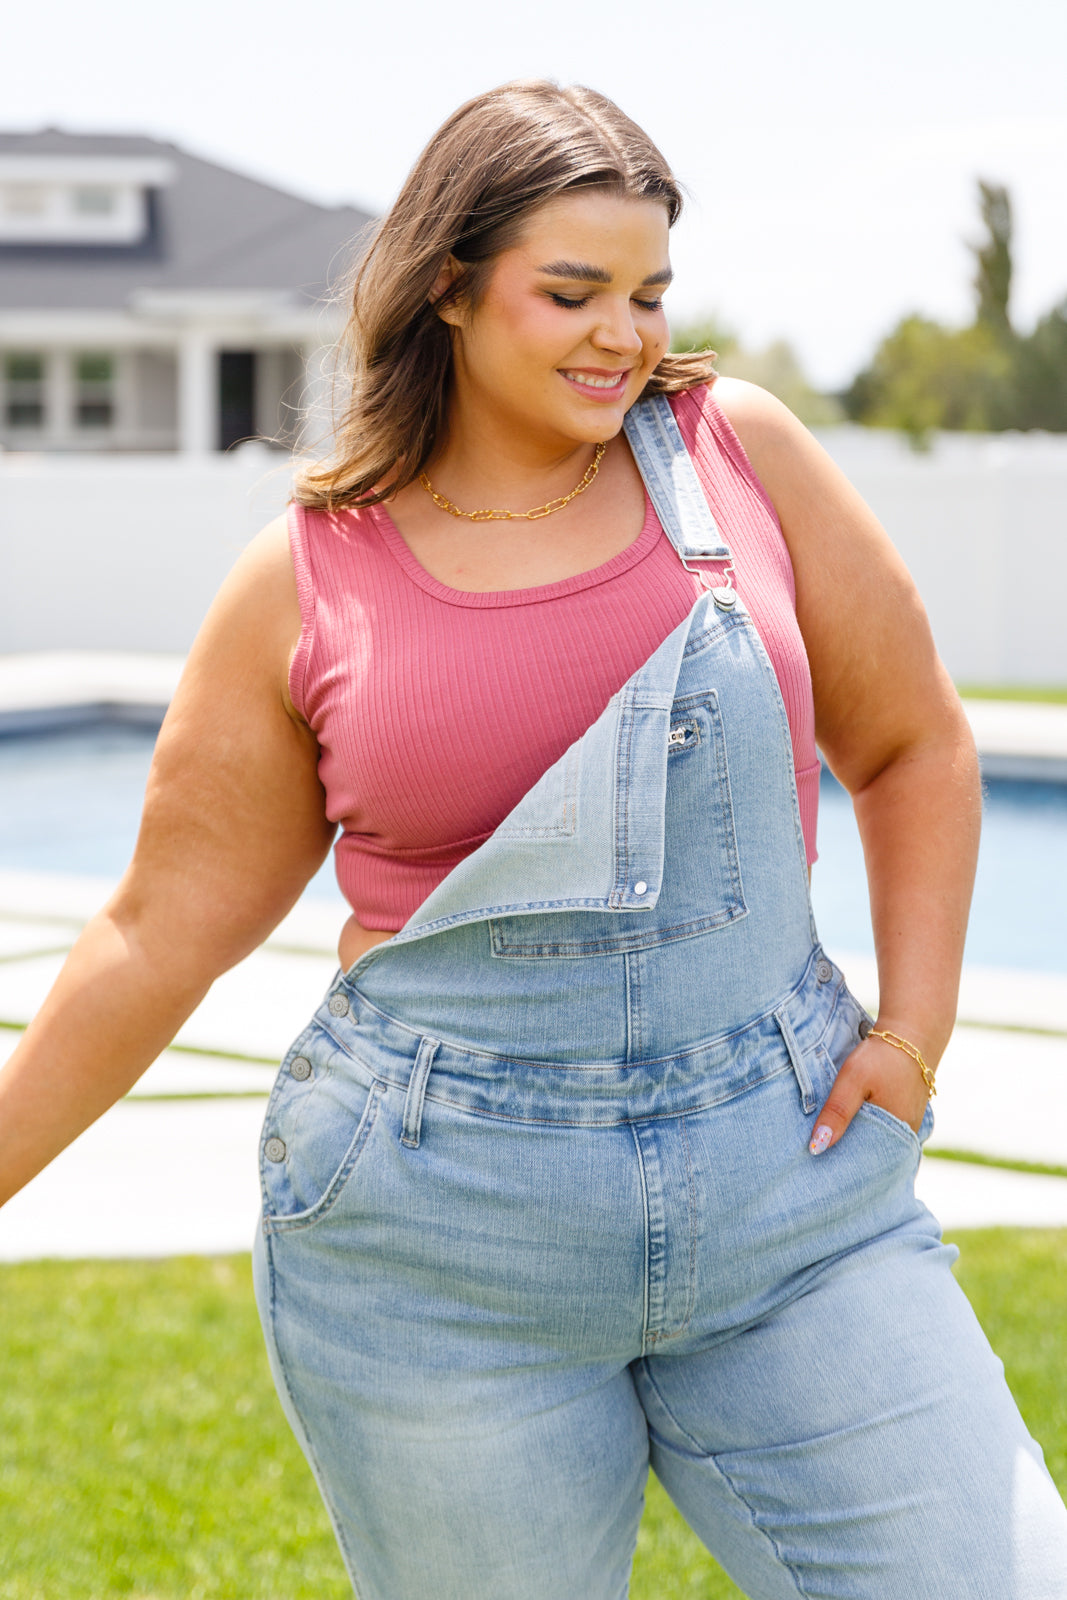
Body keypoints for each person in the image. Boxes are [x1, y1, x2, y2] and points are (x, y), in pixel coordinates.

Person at [2, 79, 1065, 1599]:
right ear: (448, 282)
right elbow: (154, 930)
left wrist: (919, 1027)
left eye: (647, 293)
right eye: (571, 291)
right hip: (439, 1252)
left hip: (792, 1204)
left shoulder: (734, 457)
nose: (621, 335)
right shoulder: (306, 580)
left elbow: (913, 743)